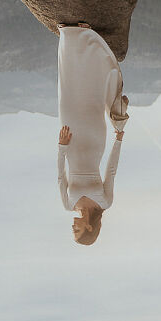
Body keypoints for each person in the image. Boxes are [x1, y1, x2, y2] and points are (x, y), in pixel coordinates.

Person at [56, 23, 129, 245]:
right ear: (89, 227)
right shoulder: (105, 201)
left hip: (71, 143)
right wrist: (118, 140)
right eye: (77, 231)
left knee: (68, 90)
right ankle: (86, 37)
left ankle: (69, 37)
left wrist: (62, 147)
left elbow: (61, 176)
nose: (73, 228)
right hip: (94, 138)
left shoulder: (68, 205)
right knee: (91, 93)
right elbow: (112, 171)